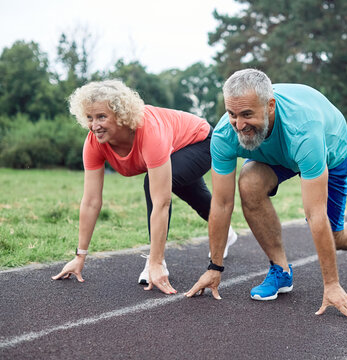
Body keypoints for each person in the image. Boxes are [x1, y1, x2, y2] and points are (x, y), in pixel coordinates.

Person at [186, 69, 347, 319]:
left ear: (270, 106)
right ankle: (280, 270)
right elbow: (222, 204)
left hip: (327, 149)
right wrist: (215, 267)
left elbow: (315, 213)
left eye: (247, 114)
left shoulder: (304, 131)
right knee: (249, 184)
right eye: (232, 114)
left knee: (336, 236)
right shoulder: (226, 134)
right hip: (278, 152)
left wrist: (331, 285)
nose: (239, 124)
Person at [52, 79, 237, 293]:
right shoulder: (94, 142)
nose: (95, 125)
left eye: (102, 116)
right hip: (175, 145)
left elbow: (161, 202)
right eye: (90, 118)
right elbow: (91, 201)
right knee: (195, 196)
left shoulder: (148, 131)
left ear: (121, 115)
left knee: (155, 184)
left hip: (200, 141)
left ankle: (156, 260)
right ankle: (227, 232)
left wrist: (156, 263)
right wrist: (79, 256)